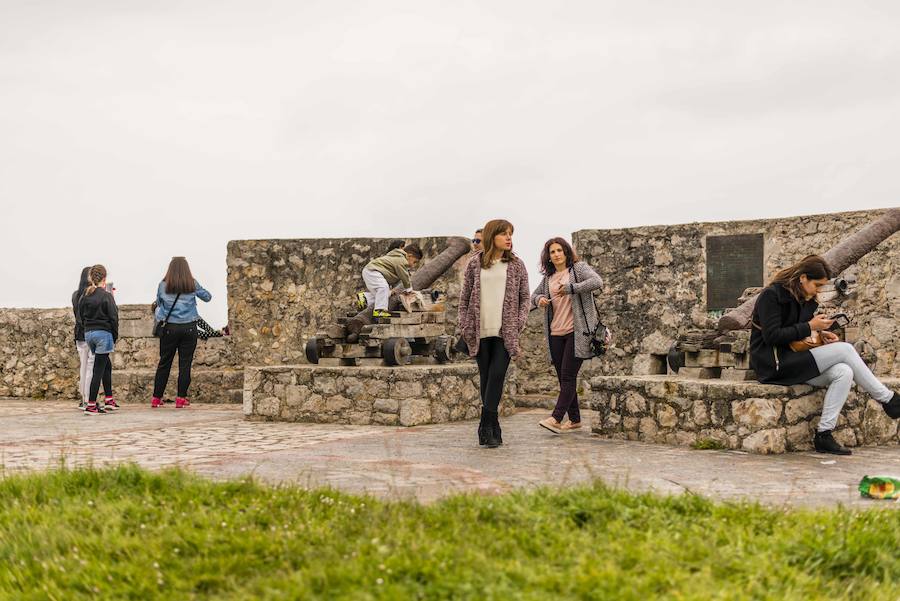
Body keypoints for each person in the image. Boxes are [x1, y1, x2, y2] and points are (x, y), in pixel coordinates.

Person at [750, 254, 900, 455]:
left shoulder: (808, 300)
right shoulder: (772, 295)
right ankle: (889, 399)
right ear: (803, 278)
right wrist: (810, 326)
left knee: (844, 372)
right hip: (774, 363)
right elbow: (772, 336)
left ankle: (824, 435)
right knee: (846, 350)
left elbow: (799, 331)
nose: (819, 290)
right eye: (817, 285)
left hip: (795, 361)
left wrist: (820, 333)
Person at [458, 219, 530, 448]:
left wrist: (518, 323)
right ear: (492, 237)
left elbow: (525, 298)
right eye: (504, 234)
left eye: (511, 234)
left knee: (498, 375)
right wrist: (464, 323)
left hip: (505, 332)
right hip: (479, 331)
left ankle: (484, 423)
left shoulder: (517, 265)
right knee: (486, 378)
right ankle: (493, 426)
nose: (509, 238)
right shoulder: (474, 264)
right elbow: (465, 297)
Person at [530, 238, 603, 434]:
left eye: (559, 250)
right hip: (555, 333)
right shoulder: (548, 278)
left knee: (569, 375)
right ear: (549, 257)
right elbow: (533, 297)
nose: (556, 254)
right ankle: (575, 419)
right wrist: (540, 300)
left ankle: (556, 418)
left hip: (577, 332)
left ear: (566, 252)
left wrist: (572, 288)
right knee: (564, 379)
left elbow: (597, 281)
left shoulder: (577, 269)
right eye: (552, 252)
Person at [151, 257, 212, 409]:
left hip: (169, 328)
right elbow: (207, 297)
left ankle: (156, 398)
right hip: (189, 328)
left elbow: (158, 303)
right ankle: (180, 398)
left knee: (164, 363)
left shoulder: (163, 284)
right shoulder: (191, 283)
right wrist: (196, 288)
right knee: (185, 364)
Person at [78, 265, 119, 414]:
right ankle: (91, 404)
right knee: (98, 370)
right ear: (104, 278)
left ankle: (109, 399)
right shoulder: (106, 296)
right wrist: (114, 336)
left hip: (89, 335)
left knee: (105, 364)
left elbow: (80, 316)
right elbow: (114, 318)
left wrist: (88, 328)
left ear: (91, 278)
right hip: (103, 334)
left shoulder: (85, 294)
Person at [357, 244, 422, 318]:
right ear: (409, 256)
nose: (413, 265)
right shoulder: (401, 260)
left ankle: (365, 298)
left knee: (384, 294)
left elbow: (394, 276)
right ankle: (380, 310)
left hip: (372, 271)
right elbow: (404, 276)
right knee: (383, 287)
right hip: (373, 271)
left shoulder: (397, 258)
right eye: (414, 262)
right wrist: (409, 289)